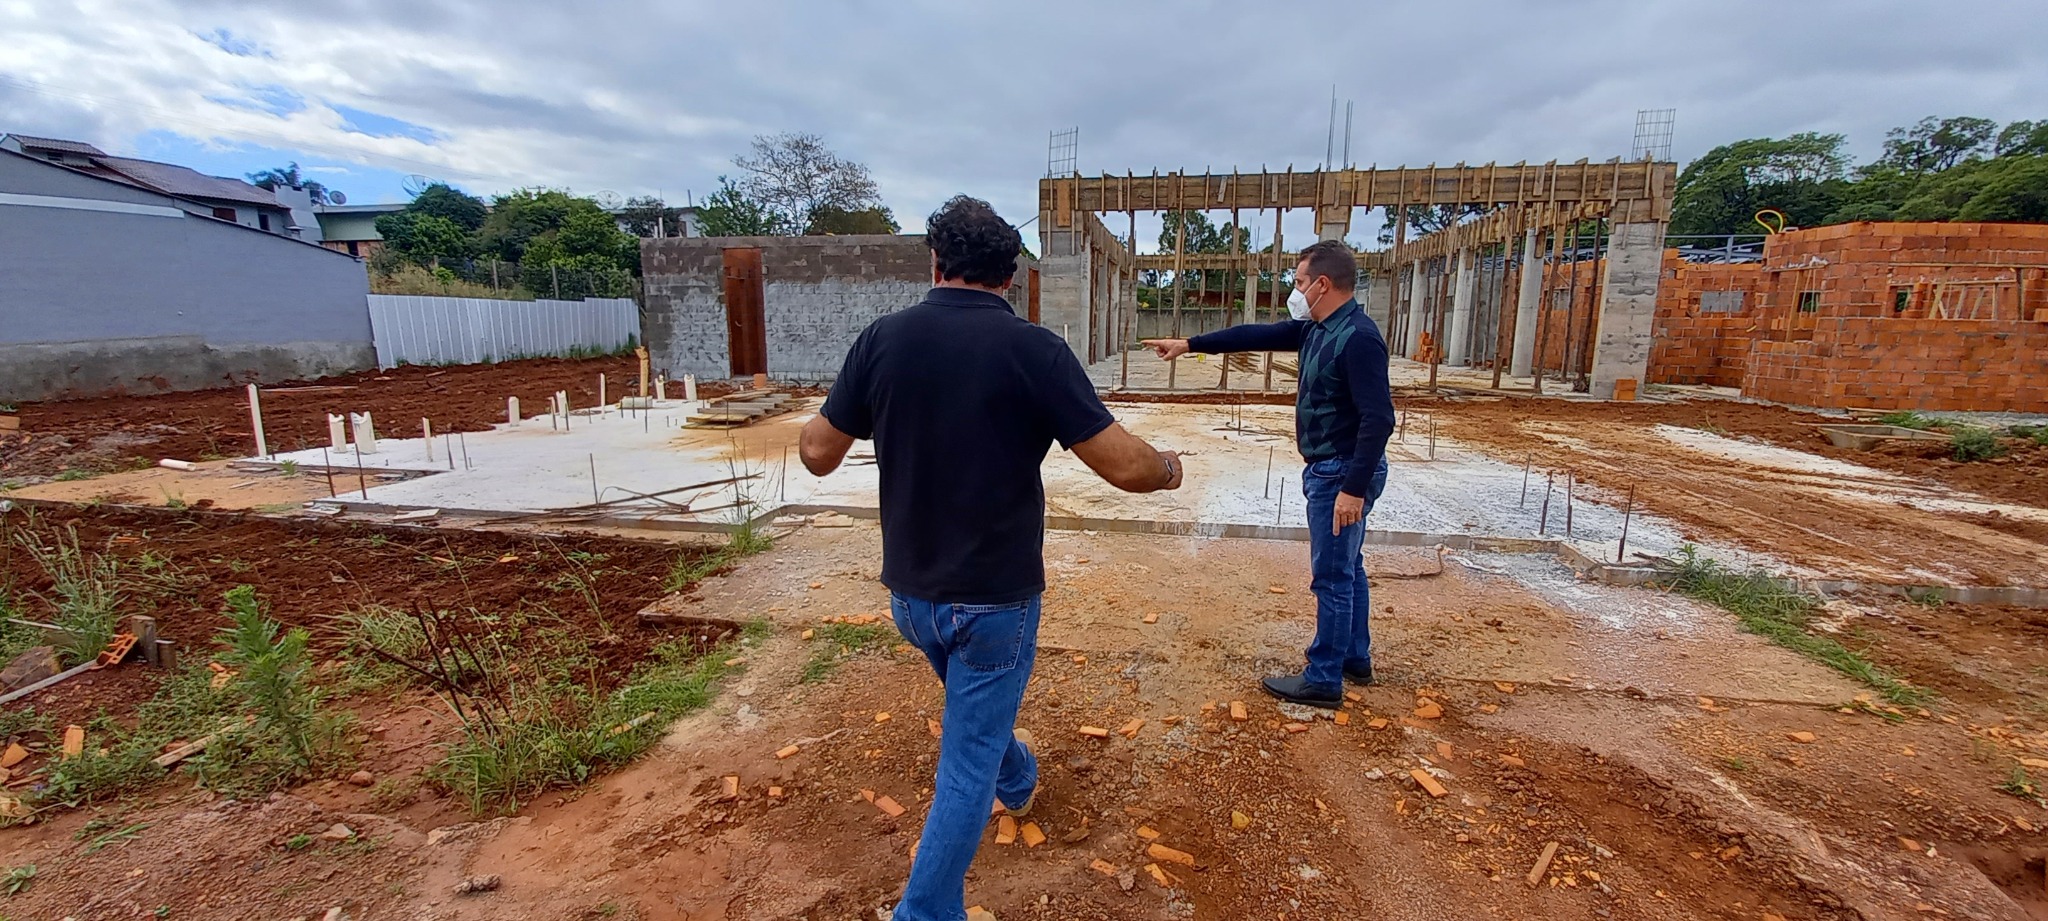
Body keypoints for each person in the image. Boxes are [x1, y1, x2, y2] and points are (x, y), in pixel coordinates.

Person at [800, 195, 1184, 921]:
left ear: (935, 262)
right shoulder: (1034, 351)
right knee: (965, 756)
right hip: (995, 604)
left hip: (912, 599)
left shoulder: (881, 339)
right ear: (1012, 276)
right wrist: (1170, 466)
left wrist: (827, 413)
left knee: (980, 717)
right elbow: (1124, 467)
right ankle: (926, 910)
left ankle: (1021, 778)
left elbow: (818, 454)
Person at [1140, 238, 1394, 708]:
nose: (1294, 291)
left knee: (1332, 576)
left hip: (1341, 472)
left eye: (1299, 282)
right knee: (1348, 567)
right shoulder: (1317, 327)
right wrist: (1189, 344)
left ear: (1322, 283)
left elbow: (1380, 418)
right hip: (1331, 468)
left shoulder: (1356, 337)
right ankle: (1353, 658)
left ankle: (1323, 679)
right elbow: (1254, 335)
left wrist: (1353, 490)